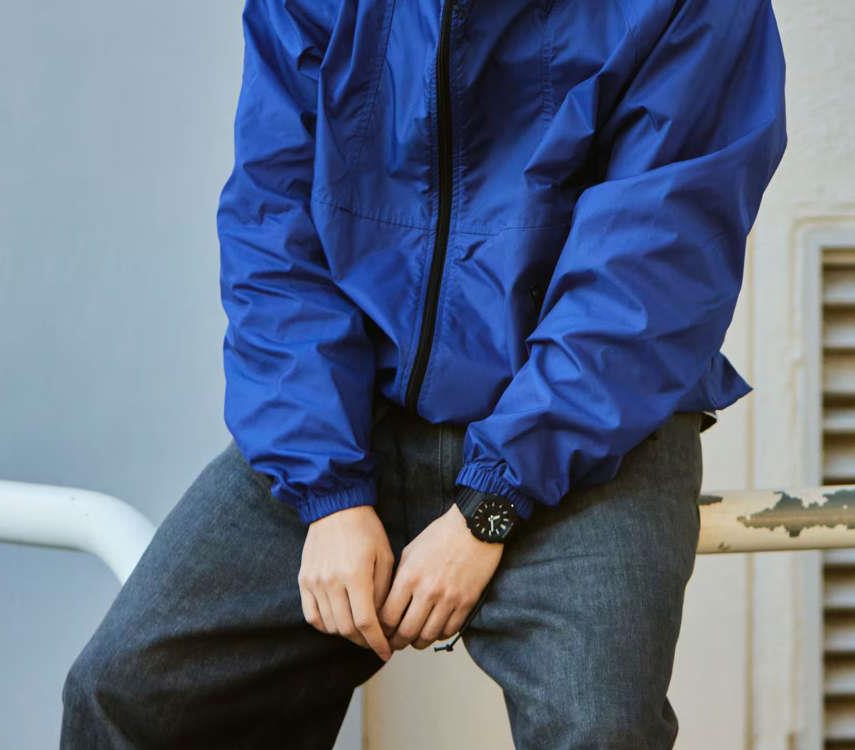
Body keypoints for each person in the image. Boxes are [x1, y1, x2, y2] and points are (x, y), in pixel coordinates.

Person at [60, 0, 786, 747]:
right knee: (130, 693)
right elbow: (275, 228)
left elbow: (649, 271)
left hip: (586, 436)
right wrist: (327, 495)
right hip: (353, 416)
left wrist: (491, 506)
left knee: (599, 731)